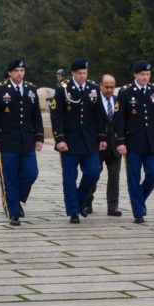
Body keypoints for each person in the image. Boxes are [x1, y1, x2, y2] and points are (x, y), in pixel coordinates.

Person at [0, 58, 44, 226]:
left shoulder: (31, 90)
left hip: (27, 141)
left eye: (22, 71)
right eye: (17, 71)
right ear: (10, 72)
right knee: (9, 178)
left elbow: (36, 116)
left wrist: (39, 137)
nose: (20, 74)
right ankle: (13, 212)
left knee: (31, 174)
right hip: (7, 141)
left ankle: (17, 199)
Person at [51, 58, 110, 223]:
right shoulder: (63, 89)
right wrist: (60, 139)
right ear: (73, 73)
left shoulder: (92, 88)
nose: (82, 76)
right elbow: (57, 116)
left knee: (93, 171)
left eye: (85, 73)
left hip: (89, 140)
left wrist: (102, 136)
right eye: (79, 73)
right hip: (69, 142)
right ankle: (73, 212)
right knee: (69, 177)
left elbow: (100, 115)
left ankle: (80, 200)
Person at [115, 59, 154, 223]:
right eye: (142, 74)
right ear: (135, 75)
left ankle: (139, 199)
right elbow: (119, 119)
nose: (145, 77)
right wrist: (120, 141)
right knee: (133, 176)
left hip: (152, 141)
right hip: (133, 142)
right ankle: (138, 211)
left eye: (147, 74)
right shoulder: (126, 92)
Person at [97, 74, 125, 215]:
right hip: (98, 146)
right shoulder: (94, 101)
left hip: (115, 146)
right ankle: (87, 203)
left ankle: (112, 207)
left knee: (114, 178)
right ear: (100, 86)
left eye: (112, 87)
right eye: (106, 87)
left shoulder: (118, 101)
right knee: (94, 173)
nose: (109, 90)